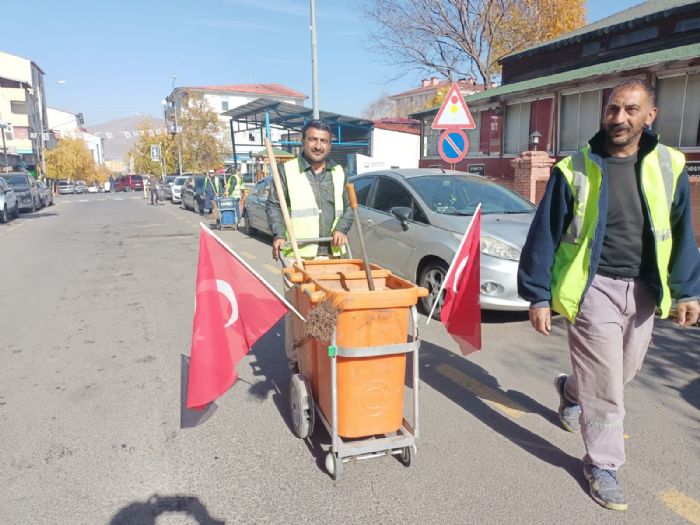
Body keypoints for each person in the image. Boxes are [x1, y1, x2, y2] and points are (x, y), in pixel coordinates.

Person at [517, 79, 700, 512]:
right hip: (591, 287)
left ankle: (571, 391)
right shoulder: (574, 167)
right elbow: (543, 234)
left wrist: (687, 290)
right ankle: (603, 464)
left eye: (630, 110)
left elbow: (680, 234)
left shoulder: (670, 165)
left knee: (625, 371)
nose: (619, 118)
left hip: (643, 290)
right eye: (612, 109)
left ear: (649, 115)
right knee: (608, 387)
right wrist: (538, 295)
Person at [266, 119, 354, 374]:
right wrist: (278, 234)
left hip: (331, 255)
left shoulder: (339, 172)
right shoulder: (288, 171)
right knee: (297, 313)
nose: (318, 145)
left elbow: (348, 208)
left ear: (330, 144)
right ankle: (298, 362)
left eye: (323, 141)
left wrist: (341, 229)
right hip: (298, 256)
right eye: (313, 139)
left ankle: (322, 361)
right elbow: (274, 206)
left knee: (327, 312)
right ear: (303, 142)